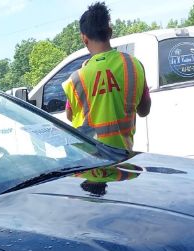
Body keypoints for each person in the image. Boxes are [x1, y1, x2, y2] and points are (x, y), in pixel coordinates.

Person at [63, 2, 151, 151]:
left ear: (84, 38)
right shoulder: (134, 65)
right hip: (123, 160)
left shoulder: (76, 78)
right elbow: (144, 110)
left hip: (91, 164)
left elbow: (69, 115)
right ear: (110, 32)